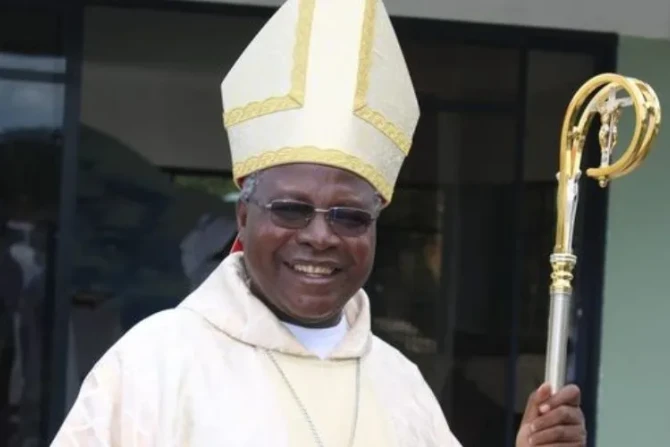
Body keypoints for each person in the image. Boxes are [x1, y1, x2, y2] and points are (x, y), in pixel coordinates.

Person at [50, 0, 587, 445]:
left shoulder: (400, 384)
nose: (320, 236)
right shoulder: (153, 366)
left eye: (350, 215)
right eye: (291, 209)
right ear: (244, 213)